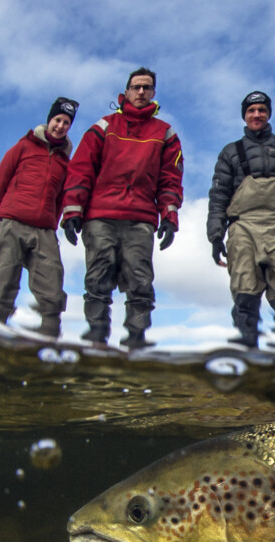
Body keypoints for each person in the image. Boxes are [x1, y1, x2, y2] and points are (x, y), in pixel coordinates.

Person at [61, 67, 183, 350]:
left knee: (141, 284)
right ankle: (96, 340)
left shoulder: (165, 133)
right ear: (126, 92)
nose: (141, 92)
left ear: (153, 93)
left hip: (140, 219)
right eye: (136, 87)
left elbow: (171, 179)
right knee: (97, 280)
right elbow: (81, 169)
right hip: (100, 216)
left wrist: (170, 215)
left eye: (147, 88)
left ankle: (135, 342)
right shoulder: (104, 126)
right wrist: (72, 212)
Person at [207, 91, 275, 351]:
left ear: (268, 113)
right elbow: (218, 196)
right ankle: (248, 357)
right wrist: (215, 236)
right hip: (241, 226)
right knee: (245, 293)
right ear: (244, 116)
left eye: (261, 109)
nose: (256, 114)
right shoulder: (230, 152)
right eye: (251, 110)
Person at [0, 97, 79, 338]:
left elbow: (60, 201)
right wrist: (7, 214)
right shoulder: (23, 147)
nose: (61, 126)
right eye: (58, 120)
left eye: (66, 123)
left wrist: (50, 223)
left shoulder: (65, 162)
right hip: (11, 224)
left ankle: (47, 344)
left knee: (52, 291)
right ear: (50, 120)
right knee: (2, 287)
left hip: (44, 231)